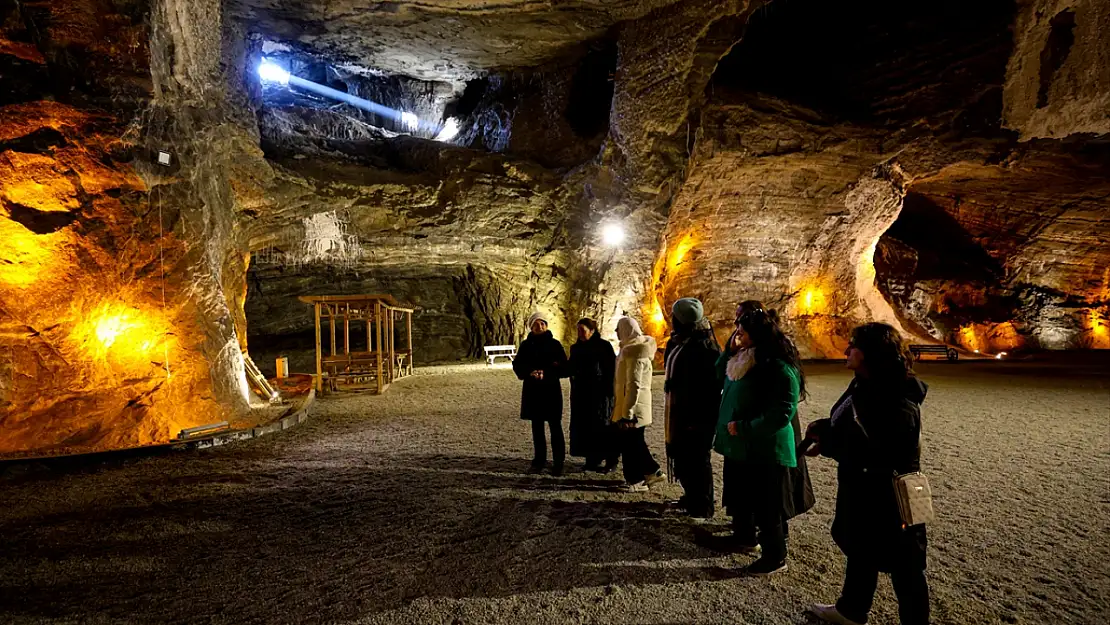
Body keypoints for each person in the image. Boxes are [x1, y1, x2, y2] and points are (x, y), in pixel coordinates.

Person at [804, 323, 930, 625]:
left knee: (906, 567)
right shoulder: (864, 383)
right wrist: (824, 429)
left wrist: (831, 443)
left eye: (853, 345)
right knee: (861, 551)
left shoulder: (896, 399)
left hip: (890, 495)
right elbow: (850, 423)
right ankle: (851, 609)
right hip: (863, 487)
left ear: (870, 353)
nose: (846, 350)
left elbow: (881, 452)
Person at [714, 303, 808, 575]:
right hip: (743, 445)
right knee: (745, 497)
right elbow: (717, 376)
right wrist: (727, 352)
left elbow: (782, 411)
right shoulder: (742, 359)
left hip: (766, 447)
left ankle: (775, 556)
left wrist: (745, 427)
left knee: (768, 506)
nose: (737, 337)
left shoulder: (777, 366)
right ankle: (745, 538)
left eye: (742, 333)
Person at [663, 298, 721, 519]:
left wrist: (697, 420)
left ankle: (703, 504)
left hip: (696, 416)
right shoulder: (682, 341)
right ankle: (692, 496)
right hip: (682, 412)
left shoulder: (703, 347)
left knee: (697, 460)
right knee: (685, 459)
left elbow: (708, 388)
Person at [612, 316, 665, 492]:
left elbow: (633, 385)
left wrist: (628, 413)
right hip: (633, 406)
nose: (616, 333)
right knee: (634, 442)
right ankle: (649, 473)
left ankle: (638, 479)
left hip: (633, 408)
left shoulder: (634, 352)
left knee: (631, 444)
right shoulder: (633, 349)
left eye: (619, 329)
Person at [512, 312, 569, 475]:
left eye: (542, 323)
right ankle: (539, 460)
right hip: (533, 390)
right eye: (536, 324)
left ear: (546, 325)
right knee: (537, 427)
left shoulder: (555, 345)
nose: (540, 326)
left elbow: (563, 367)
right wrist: (530, 372)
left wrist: (547, 372)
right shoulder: (526, 345)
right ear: (531, 327)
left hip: (550, 390)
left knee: (555, 426)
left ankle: (558, 462)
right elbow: (518, 365)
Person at [569, 317, 618, 472]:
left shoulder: (603, 347)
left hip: (600, 395)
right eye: (578, 330)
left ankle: (611, 460)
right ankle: (592, 459)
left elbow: (611, 370)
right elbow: (572, 367)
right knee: (586, 428)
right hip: (582, 395)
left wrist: (609, 392)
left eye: (582, 330)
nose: (580, 334)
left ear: (592, 331)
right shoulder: (576, 348)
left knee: (603, 427)